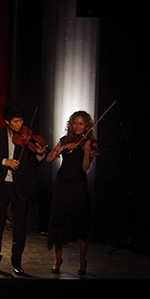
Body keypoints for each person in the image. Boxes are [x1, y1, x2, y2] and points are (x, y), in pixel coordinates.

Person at [0, 103, 44, 275]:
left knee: (19, 227)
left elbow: (33, 162)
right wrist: (4, 161)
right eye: (16, 121)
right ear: (7, 121)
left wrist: (39, 154)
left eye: (21, 121)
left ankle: (17, 262)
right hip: (3, 185)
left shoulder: (27, 137)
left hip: (21, 186)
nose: (19, 125)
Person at [46, 110, 98, 275]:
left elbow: (85, 168)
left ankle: (82, 261)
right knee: (59, 221)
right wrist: (61, 148)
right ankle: (57, 259)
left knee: (80, 224)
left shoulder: (88, 142)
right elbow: (49, 158)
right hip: (62, 185)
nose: (77, 126)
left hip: (78, 186)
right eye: (75, 123)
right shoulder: (64, 140)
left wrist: (88, 151)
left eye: (81, 123)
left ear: (86, 126)